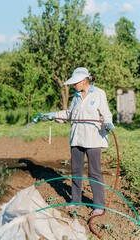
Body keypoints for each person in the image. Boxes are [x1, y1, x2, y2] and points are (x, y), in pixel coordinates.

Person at [39, 67, 114, 216]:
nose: (73, 85)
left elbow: (106, 114)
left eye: (75, 83)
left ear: (83, 81)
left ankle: (99, 206)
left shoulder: (99, 94)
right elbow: (69, 114)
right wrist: (53, 115)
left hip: (93, 138)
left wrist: (108, 123)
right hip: (77, 138)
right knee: (76, 170)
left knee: (94, 172)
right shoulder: (76, 96)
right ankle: (76, 201)